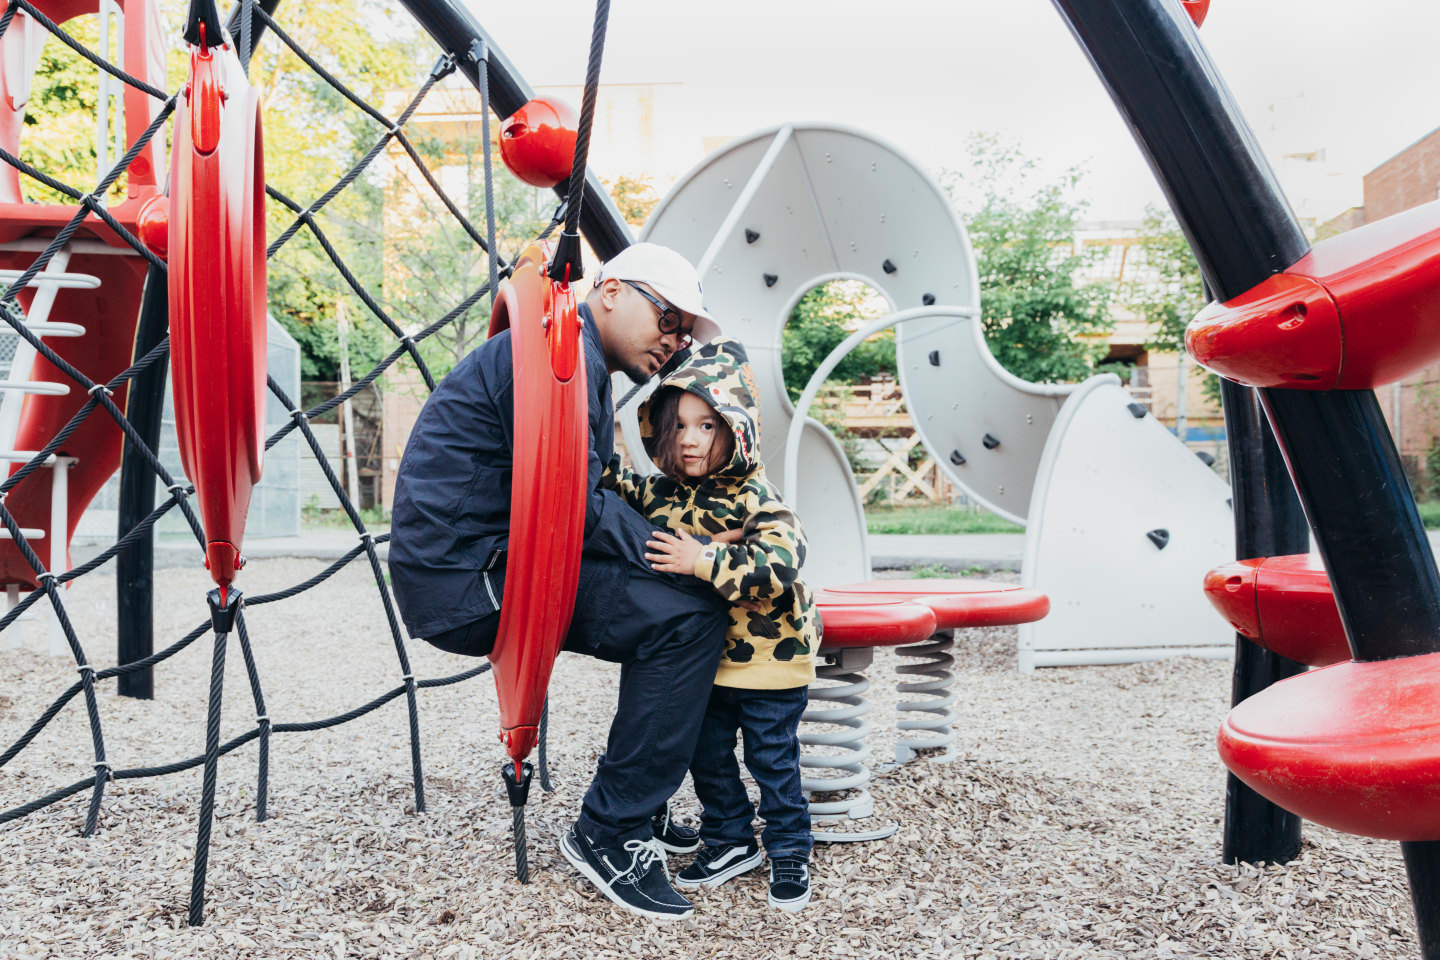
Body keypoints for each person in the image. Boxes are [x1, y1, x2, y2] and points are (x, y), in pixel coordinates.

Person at [388, 242, 732, 921]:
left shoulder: (571, 357)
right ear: (610, 292)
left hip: (486, 558)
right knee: (688, 616)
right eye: (667, 319)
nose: (674, 340)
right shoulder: (555, 362)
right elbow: (574, 504)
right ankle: (610, 830)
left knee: (687, 596)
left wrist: (688, 545)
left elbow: (586, 493)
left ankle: (642, 801)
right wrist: (679, 554)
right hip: (469, 580)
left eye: (684, 332)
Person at [603, 337, 820, 912]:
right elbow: (618, 486)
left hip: (772, 658)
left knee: (771, 757)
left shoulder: (756, 498)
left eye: (707, 425)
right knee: (707, 751)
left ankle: (791, 848)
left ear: (735, 431)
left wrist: (702, 558)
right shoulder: (665, 492)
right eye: (678, 426)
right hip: (711, 660)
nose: (691, 438)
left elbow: (782, 561)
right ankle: (729, 839)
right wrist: (591, 441)